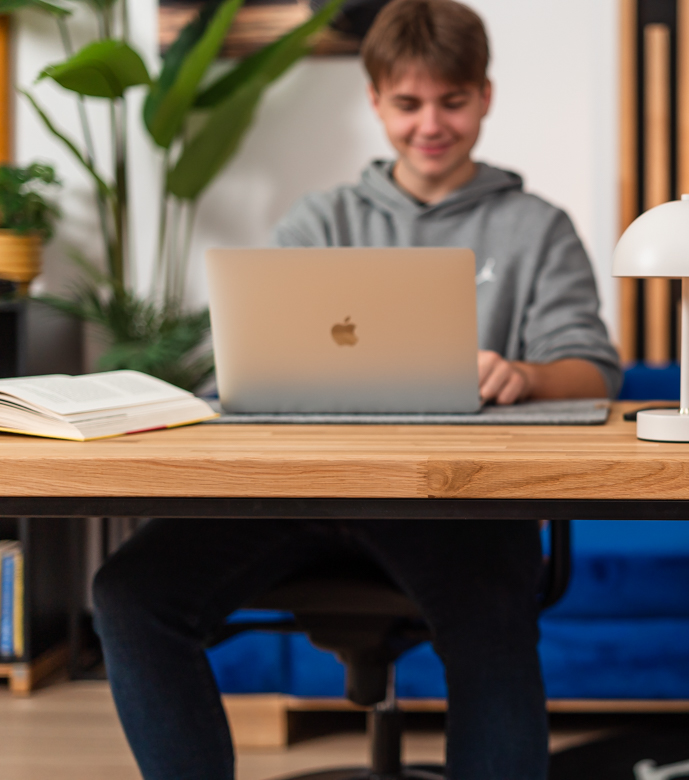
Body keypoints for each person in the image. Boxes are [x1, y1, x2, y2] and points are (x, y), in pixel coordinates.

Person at [91, 2, 620, 779]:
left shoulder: (537, 227)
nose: (430, 124)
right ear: (375, 101)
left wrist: (528, 375)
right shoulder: (323, 218)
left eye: (453, 100)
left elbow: (593, 370)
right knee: (129, 593)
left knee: (495, 617)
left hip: (455, 503)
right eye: (408, 104)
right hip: (298, 498)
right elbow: (252, 363)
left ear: (485, 96)